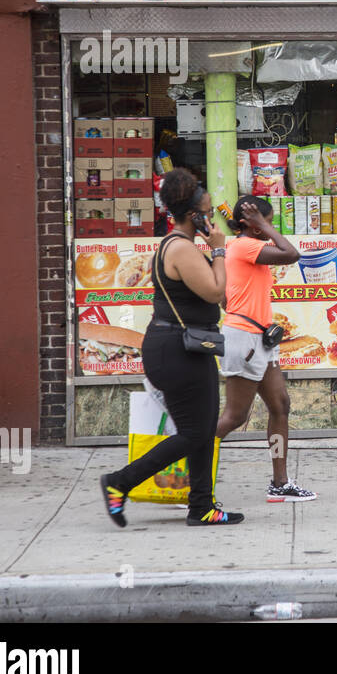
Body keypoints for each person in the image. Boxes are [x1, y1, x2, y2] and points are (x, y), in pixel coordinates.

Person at [98, 168, 243, 526]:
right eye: (207, 212)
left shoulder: (178, 246)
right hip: (178, 350)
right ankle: (119, 482)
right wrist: (220, 251)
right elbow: (214, 291)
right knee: (195, 433)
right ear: (194, 215)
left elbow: (216, 295)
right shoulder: (180, 248)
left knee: (202, 429)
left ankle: (202, 506)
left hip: (183, 345)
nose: (211, 218)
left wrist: (214, 253)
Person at [214, 195, 317, 502]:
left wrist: (261, 224)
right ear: (252, 225)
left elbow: (225, 298)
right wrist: (261, 225)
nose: (270, 227)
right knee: (234, 416)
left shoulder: (237, 249)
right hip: (245, 340)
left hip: (259, 339)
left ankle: (280, 483)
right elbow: (291, 253)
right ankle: (174, 465)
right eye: (267, 222)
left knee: (280, 406)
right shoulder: (245, 246)